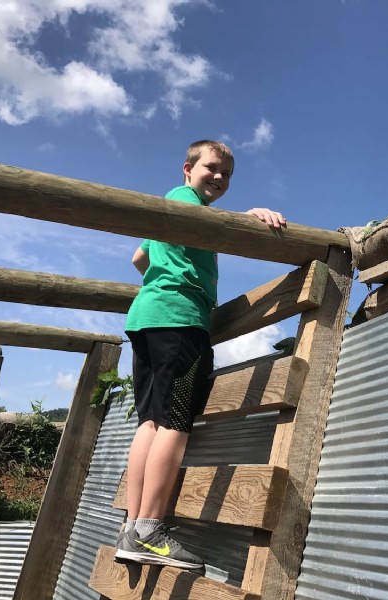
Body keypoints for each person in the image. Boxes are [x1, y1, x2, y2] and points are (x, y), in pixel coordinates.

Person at [114, 140, 286, 568]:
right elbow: (198, 220)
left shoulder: (171, 219)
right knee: (176, 421)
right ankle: (149, 529)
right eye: (212, 168)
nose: (220, 178)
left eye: (227, 174)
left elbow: (139, 257)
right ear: (187, 168)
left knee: (151, 422)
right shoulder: (181, 199)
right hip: (180, 319)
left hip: (148, 318)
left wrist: (163, 273)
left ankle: (132, 526)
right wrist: (245, 219)